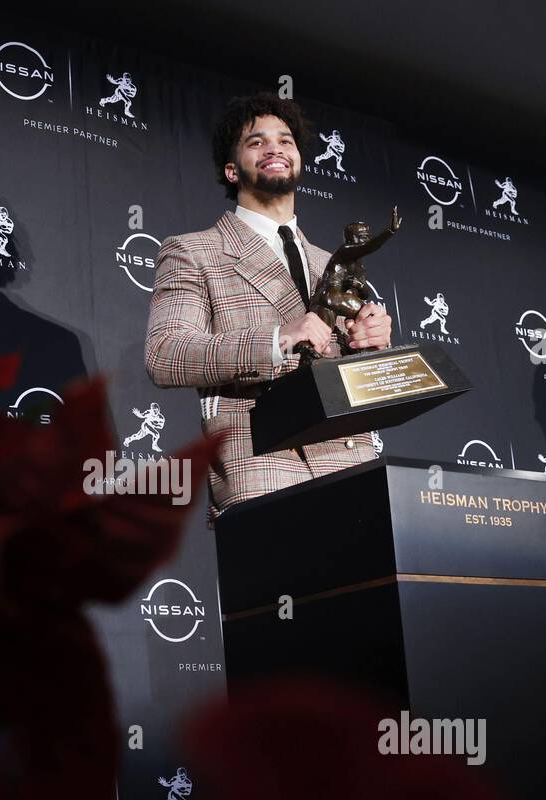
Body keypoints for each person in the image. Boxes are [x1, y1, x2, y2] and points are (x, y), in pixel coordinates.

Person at [144, 92, 392, 520]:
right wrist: (278, 340)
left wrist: (372, 346)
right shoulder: (194, 252)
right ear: (230, 169)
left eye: (286, 140)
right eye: (256, 142)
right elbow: (166, 354)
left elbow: (355, 377)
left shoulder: (330, 262)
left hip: (353, 467)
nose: (275, 147)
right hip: (263, 473)